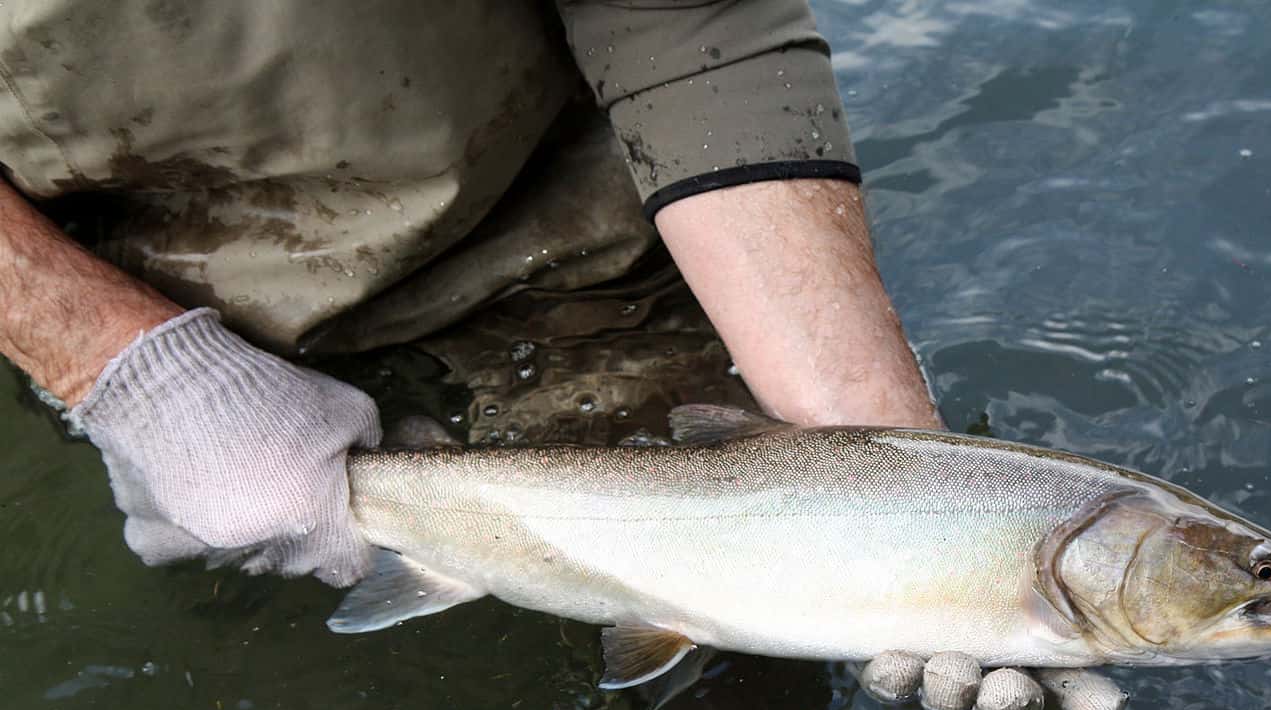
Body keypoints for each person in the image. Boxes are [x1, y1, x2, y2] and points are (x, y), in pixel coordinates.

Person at [0, 0, 938, 588]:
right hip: (110, 265)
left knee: (743, 708)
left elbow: (686, 18)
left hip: (548, 219)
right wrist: (123, 364)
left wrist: (866, 428)